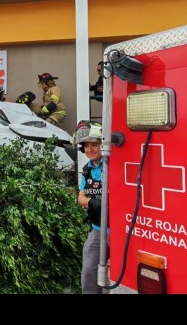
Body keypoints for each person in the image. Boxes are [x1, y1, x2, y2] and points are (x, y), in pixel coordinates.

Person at [74, 120, 107, 294]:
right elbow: (80, 197)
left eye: (94, 145)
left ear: (103, 145)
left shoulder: (112, 165)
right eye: (86, 146)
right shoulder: (87, 170)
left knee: (121, 272)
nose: (90, 150)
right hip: (97, 229)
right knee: (88, 271)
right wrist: (92, 202)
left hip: (118, 230)